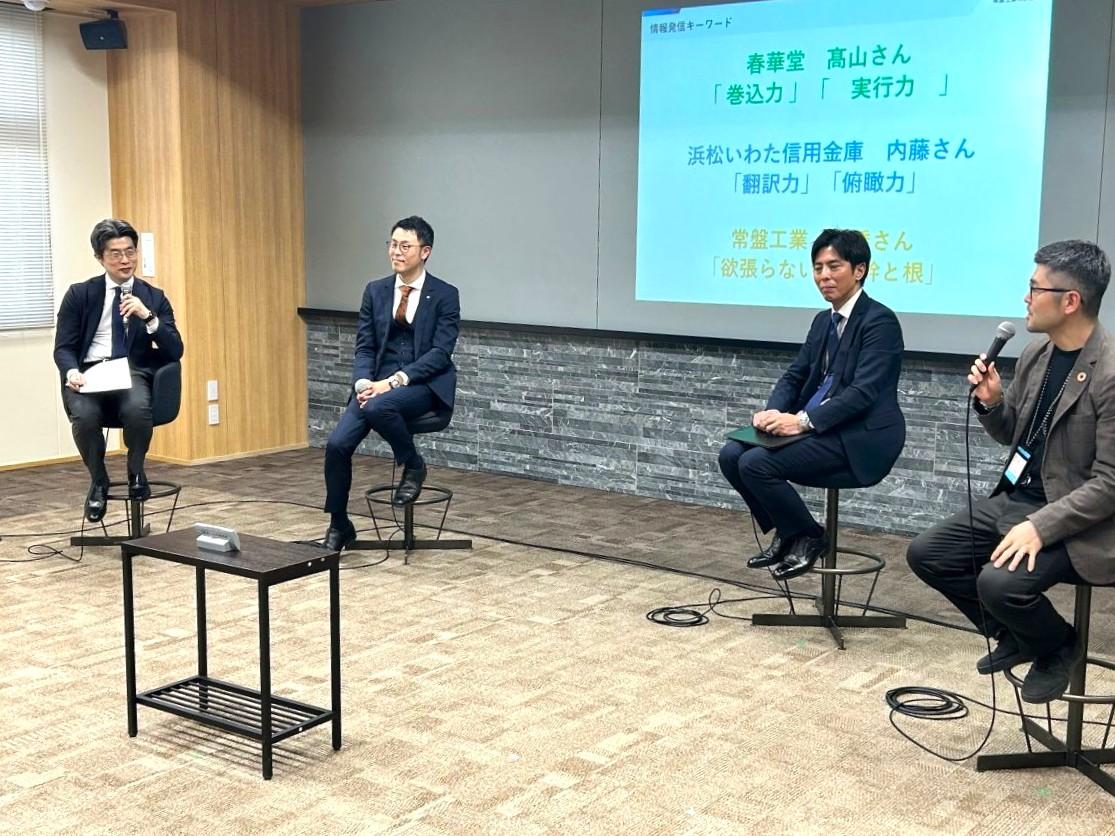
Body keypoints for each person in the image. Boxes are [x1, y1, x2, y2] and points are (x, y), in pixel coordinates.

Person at [907, 240, 1115, 703]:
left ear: (1070, 301)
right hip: (1021, 496)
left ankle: (1058, 646)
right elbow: (1014, 435)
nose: (1026, 297)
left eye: (1035, 288)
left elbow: (1110, 484)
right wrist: (993, 402)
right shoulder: (1037, 355)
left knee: (998, 583)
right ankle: (1019, 636)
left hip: (1083, 520)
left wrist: (1040, 527)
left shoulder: (1109, 372)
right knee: (928, 553)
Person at [718, 229, 906, 580]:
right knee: (730, 455)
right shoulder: (823, 321)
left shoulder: (879, 321)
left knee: (756, 464)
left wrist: (802, 421)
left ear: (859, 270)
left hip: (859, 437)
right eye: (818, 268)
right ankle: (791, 532)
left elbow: (863, 392)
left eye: (834, 266)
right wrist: (773, 412)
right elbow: (795, 375)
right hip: (818, 428)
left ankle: (809, 536)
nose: (824, 276)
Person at [322, 215, 460, 551]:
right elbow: (365, 346)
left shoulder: (445, 294)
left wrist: (393, 382)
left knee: (379, 406)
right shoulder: (376, 291)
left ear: (424, 251)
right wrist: (363, 383)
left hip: (422, 384)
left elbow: (440, 353)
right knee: (337, 445)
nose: (396, 252)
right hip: (375, 385)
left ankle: (412, 464)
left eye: (405, 246)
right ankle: (339, 524)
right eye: (393, 244)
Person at [53, 218, 185, 521]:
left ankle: (136, 472)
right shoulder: (80, 294)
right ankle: (99, 481)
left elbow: (175, 349)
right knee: (85, 417)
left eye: (130, 252)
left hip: (130, 370)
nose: (125, 260)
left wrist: (148, 316)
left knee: (138, 409)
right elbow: (63, 348)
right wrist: (71, 372)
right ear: (100, 257)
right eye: (115, 253)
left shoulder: (153, 297)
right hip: (89, 372)